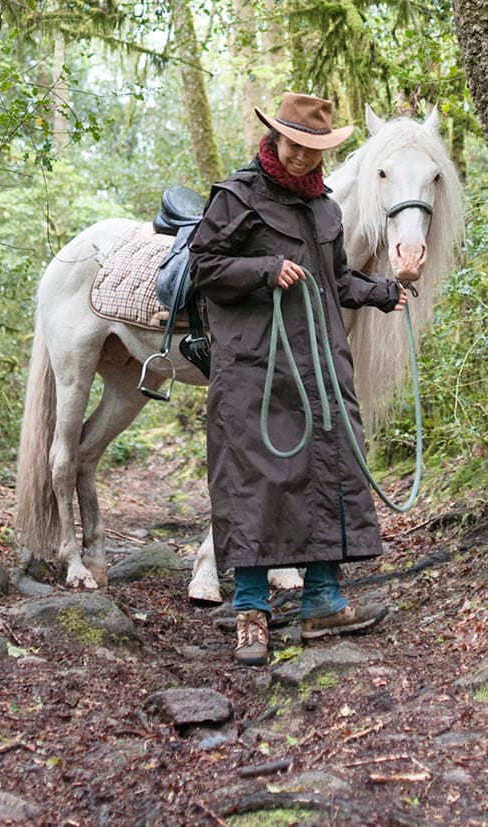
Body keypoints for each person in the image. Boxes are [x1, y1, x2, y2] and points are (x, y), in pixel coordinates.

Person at [188, 91, 407, 666]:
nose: (303, 158)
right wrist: (264, 270)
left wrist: (389, 290)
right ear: (275, 138)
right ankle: (252, 613)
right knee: (255, 478)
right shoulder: (237, 197)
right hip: (254, 365)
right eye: (295, 145)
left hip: (320, 361)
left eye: (314, 149)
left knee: (331, 464)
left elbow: (335, 283)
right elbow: (204, 268)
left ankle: (322, 600)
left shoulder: (325, 209)